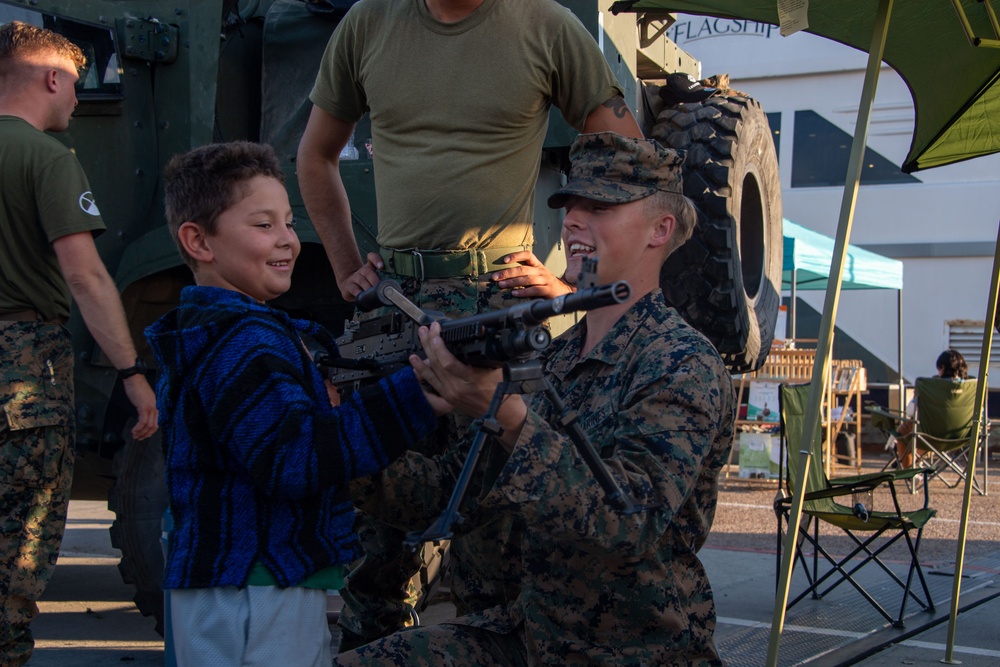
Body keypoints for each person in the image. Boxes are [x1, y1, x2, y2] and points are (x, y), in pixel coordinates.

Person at [296, 0, 645, 646]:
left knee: (498, 534)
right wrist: (348, 264)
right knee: (378, 552)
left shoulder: (544, 26)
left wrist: (576, 278)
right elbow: (315, 157)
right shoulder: (369, 23)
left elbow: (631, 156)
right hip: (395, 310)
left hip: (498, 305)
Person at [334, 131, 736, 666]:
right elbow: (449, 492)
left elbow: (629, 523)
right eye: (570, 205)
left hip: (630, 651)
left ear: (660, 230)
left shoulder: (681, 363)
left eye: (600, 207)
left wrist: (504, 416)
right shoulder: (552, 358)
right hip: (526, 636)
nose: (572, 221)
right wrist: (339, 439)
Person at [145, 141, 443, 666]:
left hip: (234, 584)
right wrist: (418, 392)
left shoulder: (216, 330)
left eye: (288, 222)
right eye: (264, 226)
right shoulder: (245, 340)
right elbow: (294, 460)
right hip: (257, 589)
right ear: (198, 240)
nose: (288, 241)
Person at [0, 21, 158, 666]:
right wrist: (131, 372)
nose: (75, 103)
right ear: (53, 78)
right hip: (22, 374)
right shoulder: (46, 159)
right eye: (76, 86)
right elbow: (85, 275)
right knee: (17, 548)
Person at [889, 349, 969, 468]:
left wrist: (916, 396)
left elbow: (910, 411)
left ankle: (909, 471)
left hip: (931, 436)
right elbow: (980, 413)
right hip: (962, 437)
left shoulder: (931, 387)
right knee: (917, 431)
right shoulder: (971, 387)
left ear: (942, 368)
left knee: (903, 432)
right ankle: (914, 460)